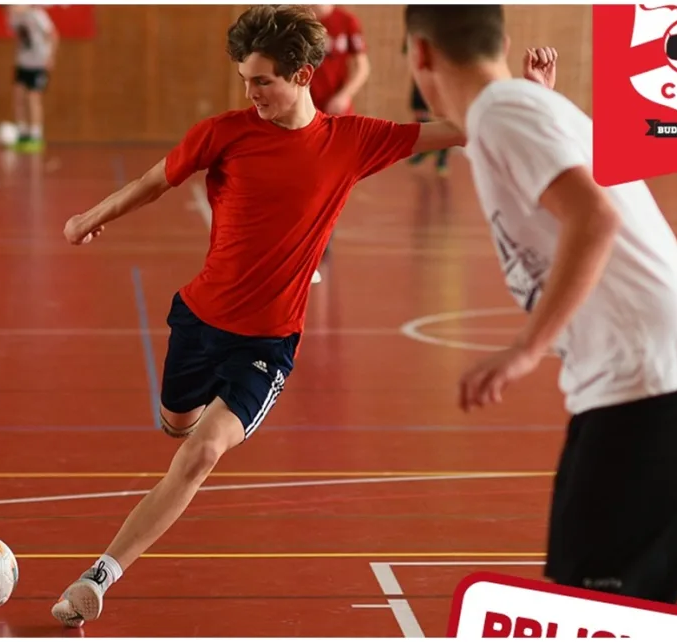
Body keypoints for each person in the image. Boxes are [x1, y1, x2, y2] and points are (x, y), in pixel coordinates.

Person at [50, 4, 465, 627]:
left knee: (200, 454)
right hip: (198, 321)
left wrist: (533, 97)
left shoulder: (352, 141)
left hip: (267, 343)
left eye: (263, 81)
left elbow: (455, 130)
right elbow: (155, 180)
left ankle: (98, 577)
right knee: (177, 425)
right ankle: (186, 423)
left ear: (303, 75)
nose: (251, 93)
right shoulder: (224, 133)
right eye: (245, 79)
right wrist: (90, 217)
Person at [403, 5, 677, 604]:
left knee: (596, 606)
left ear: (420, 53)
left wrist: (524, 350)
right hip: (650, 384)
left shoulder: (505, 112)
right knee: (599, 600)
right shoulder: (513, 111)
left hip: (651, 385)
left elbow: (595, 216)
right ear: (503, 42)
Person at [307, 4, 370, 285]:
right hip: (305, 113)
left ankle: (322, 234)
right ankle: (306, 235)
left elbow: (362, 66)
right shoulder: (298, 17)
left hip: (336, 115)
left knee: (331, 178)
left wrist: (344, 95)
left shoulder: (346, 21)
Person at [8, 5, 58, 152]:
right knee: (18, 96)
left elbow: (53, 35)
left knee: (33, 97)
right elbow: (20, 38)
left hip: (38, 63)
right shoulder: (12, 17)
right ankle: (22, 132)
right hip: (23, 63)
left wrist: (50, 56)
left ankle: (36, 134)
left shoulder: (37, 15)